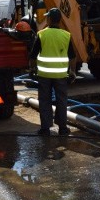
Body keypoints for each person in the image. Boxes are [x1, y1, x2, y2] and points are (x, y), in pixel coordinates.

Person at [33, 8, 76, 136]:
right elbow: (73, 57)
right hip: (61, 76)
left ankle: (45, 129)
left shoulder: (41, 34)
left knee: (44, 100)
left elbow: (32, 55)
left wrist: (32, 69)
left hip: (44, 75)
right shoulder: (66, 35)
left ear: (49, 19)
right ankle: (62, 128)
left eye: (47, 17)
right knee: (61, 101)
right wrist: (72, 72)